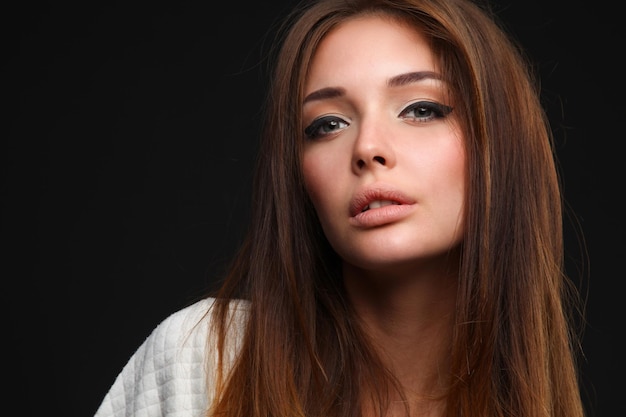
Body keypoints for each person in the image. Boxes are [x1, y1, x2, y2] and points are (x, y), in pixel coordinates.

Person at [94, 0, 586, 416]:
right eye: (327, 123)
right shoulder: (208, 361)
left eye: (421, 109)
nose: (368, 147)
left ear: (500, 145)